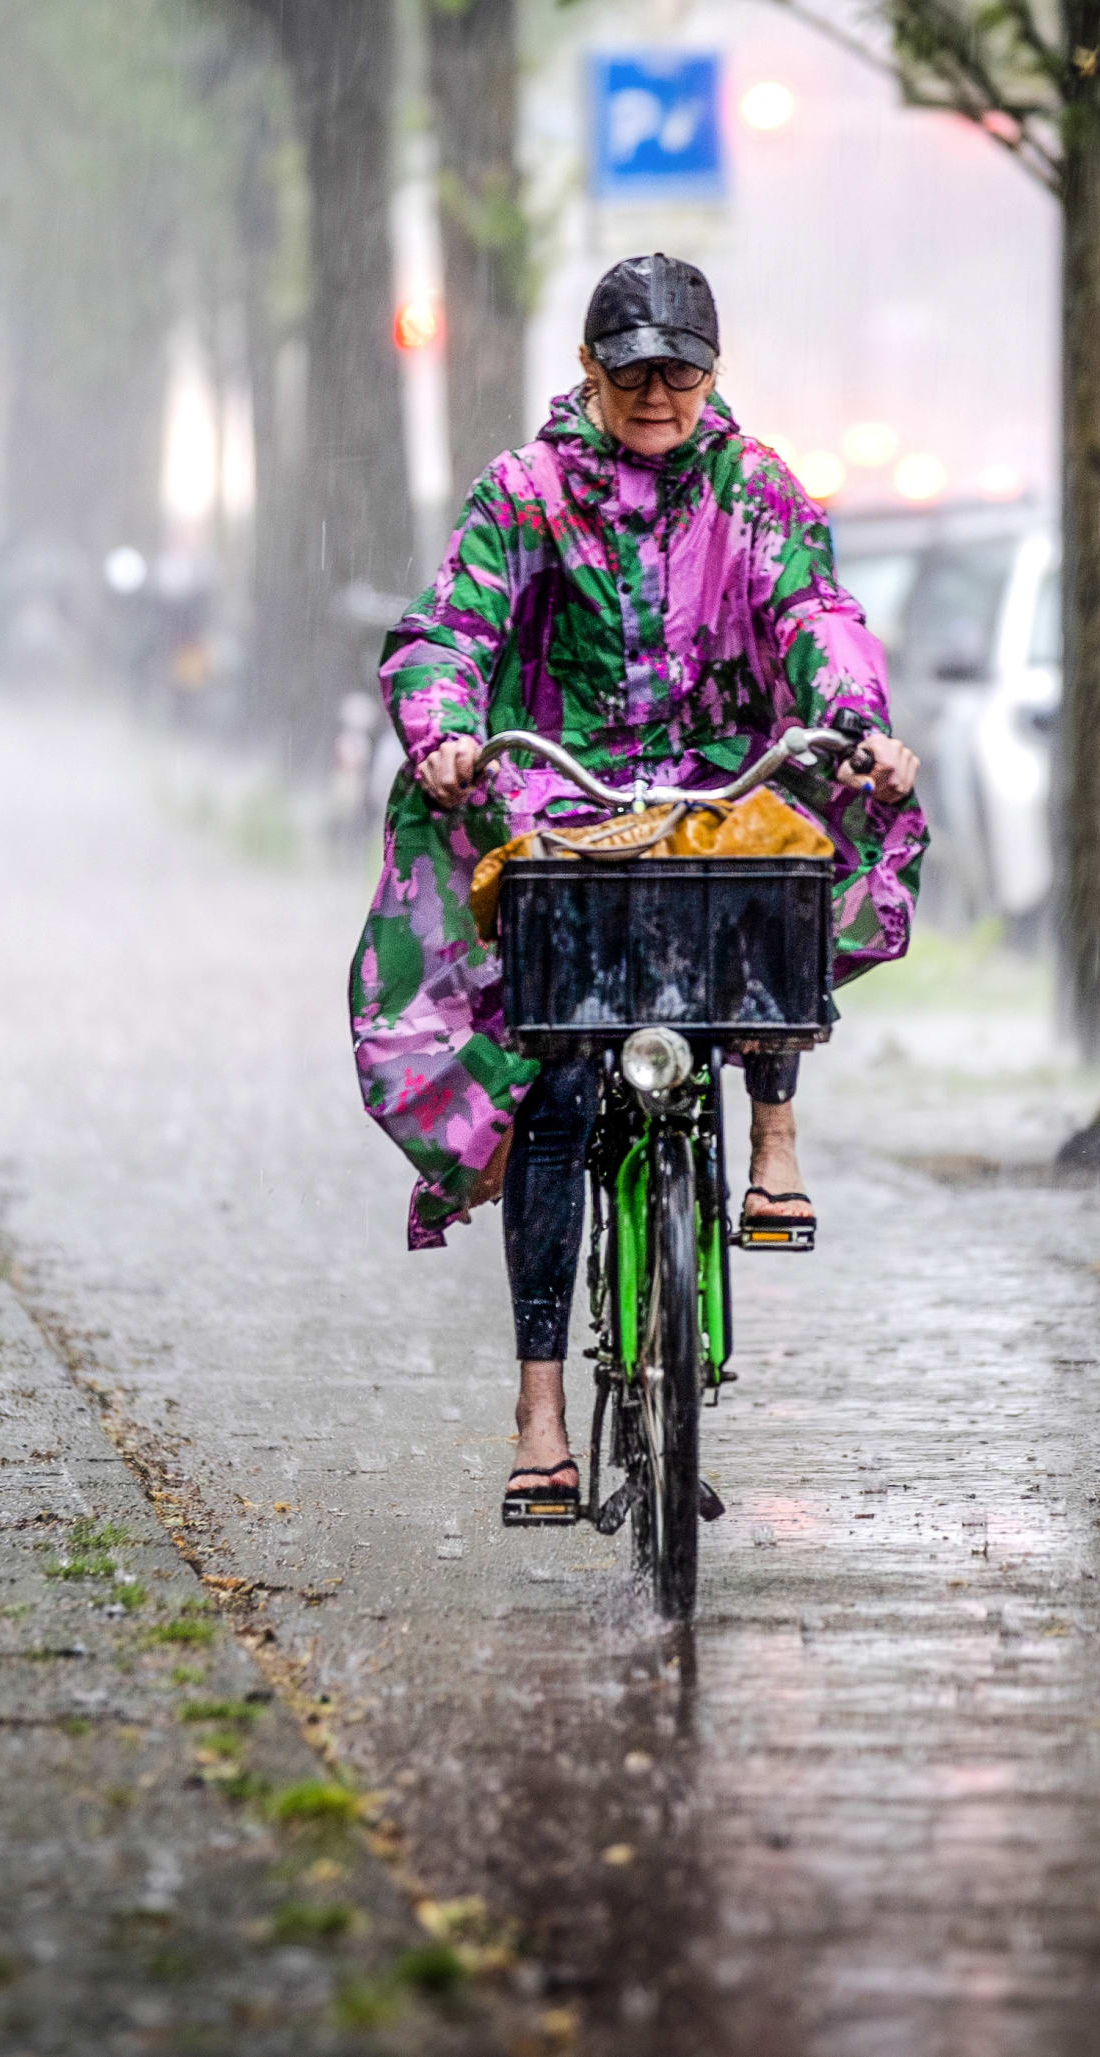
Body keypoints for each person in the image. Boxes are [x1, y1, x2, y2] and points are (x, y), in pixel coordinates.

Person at [349, 254, 925, 1527]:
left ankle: (775, 1138)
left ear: (712, 371)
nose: (656, 391)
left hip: (723, 791)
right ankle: (541, 1413)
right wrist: (443, 726)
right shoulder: (524, 491)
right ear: (590, 371)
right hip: (565, 808)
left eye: (680, 368)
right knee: (557, 1081)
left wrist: (855, 718)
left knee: (792, 854)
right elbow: (448, 631)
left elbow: (817, 614)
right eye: (632, 369)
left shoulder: (756, 487)